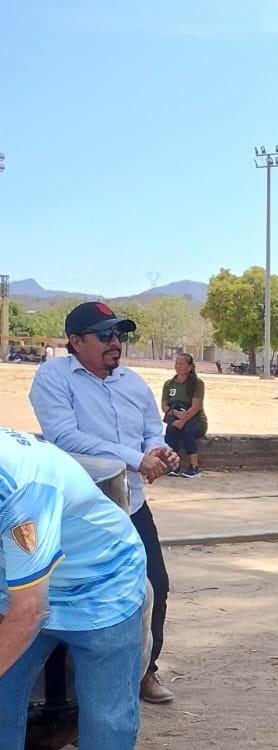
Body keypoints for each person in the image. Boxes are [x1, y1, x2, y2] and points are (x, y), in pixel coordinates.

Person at [0, 428, 147, 750]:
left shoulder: (22, 487)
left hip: (101, 584)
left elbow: (31, 612)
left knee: (106, 722)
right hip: (18, 586)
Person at [30, 302, 178, 705]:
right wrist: (135, 458)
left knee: (155, 587)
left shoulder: (133, 383)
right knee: (77, 593)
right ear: (76, 342)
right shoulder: (53, 378)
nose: (116, 343)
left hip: (129, 504)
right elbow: (64, 437)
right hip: (79, 510)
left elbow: (152, 431)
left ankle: (145, 672)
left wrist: (160, 451)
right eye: (105, 335)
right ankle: (74, 695)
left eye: (120, 335)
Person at [162, 353, 208, 479]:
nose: (178, 367)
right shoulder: (169, 384)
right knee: (170, 430)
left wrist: (183, 419)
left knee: (187, 432)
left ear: (190, 367)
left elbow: (196, 406)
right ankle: (174, 465)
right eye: (176, 364)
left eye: (182, 364)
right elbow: (164, 406)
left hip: (195, 420)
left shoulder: (197, 383)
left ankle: (194, 466)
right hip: (176, 418)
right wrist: (175, 414)